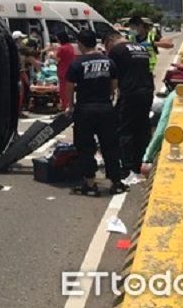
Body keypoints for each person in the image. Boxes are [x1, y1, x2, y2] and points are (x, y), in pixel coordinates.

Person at [64, 29, 126, 196]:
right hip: (105, 108)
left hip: (85, 109)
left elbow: (69, 86)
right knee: (110, 145)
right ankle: (116, 182)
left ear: (81, 44)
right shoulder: (108, 62)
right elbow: (114, 84)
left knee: (85, 147)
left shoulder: (77, 63)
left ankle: (90, 184)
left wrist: (70, 105)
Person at [104, 26, 155, 177]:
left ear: (110, 42)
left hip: (130, 92)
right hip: (147, 90)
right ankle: (141, 160)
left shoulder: (117, 51)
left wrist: (110, 95)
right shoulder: (141, 48)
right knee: (142, 126)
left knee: (124, 128)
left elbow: (112, 76)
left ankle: (126, 165)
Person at [55, 31, 76, 111]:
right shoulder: (70, 46)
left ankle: (65, 107)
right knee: (70, 90)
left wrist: (51, 55)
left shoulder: (61, 48)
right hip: (70, 70)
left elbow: (57, 59)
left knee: (63, 91)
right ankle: (69, 105)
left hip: (63, 71)